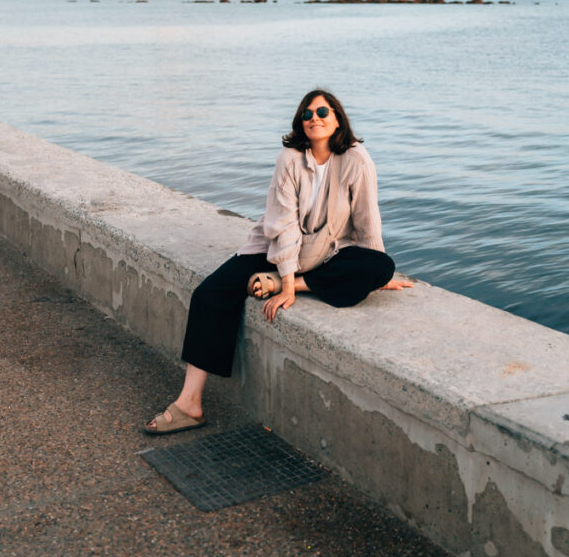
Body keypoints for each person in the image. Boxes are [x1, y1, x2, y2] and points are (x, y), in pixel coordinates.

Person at [144, 89, 412, 435]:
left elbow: (367, 220)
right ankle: (189, 404)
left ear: (337, 119)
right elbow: (283, 225)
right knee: (209, 294)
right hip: (275, 250)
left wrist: (374, 273)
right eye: (307, 114)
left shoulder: (357, 159)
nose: (314, 118)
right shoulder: (289, 158)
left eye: (322, 112)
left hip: (328, 252)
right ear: (300, 123)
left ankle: (295, 284)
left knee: (381, 265)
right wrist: (285, 278)